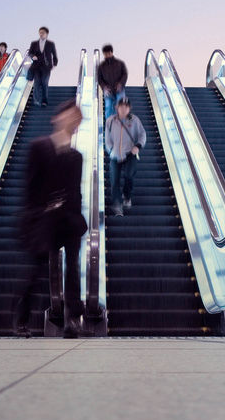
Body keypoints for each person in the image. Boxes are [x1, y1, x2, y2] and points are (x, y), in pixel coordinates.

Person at [12, 100, 87, 338]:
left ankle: (73, 321)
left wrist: (78, 219)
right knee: (35, 269)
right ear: (57, 118)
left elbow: (76, 191)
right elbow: (30, 186)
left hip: (69, 220)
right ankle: (21, 320)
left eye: (78, 117)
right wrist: (32, 217)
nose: (74, 120)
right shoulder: (39, 147)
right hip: (44, 219)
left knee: (72, 268)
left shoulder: (76, 156)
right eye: (70, 115)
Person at [104, 96, 145, 217]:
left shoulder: (134, 120)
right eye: (121, 106)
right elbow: (107, 139)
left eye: (126, 107)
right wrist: (111, 151)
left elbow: (142, 134)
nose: (123, 108)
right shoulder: (110, 121)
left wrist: (138, 146)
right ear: (116, 107)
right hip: (115, 156)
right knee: (114, 181)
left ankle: (127, 196)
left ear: (129, 108)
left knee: (129, 176)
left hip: (130, 154)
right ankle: (117, 206)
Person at [26, 26, 58, 107]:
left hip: (46, 67)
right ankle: (36, 100)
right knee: (36, 83)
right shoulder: (34, 43)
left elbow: (54, 55)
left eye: (43, 33)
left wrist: (54, 64)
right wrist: (32, 56)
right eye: (40, 32)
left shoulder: (51, 44)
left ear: (46, 34)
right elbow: (29, 53)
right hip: (36, 66)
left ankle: (44, 101)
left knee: (44, 82)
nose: (41, 34)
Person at [96, 44, 128, 121]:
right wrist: (104, 87)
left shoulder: (120, 63)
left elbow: (125, 74)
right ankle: (109, 123)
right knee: (108, 106)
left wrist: (121, 83)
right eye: (105, 54)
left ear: (111, 52)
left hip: (119, 89)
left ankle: (121, 123)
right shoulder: (101, 66)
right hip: (108, 90)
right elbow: (99, 79)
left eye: (108, 53)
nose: (107, 55)